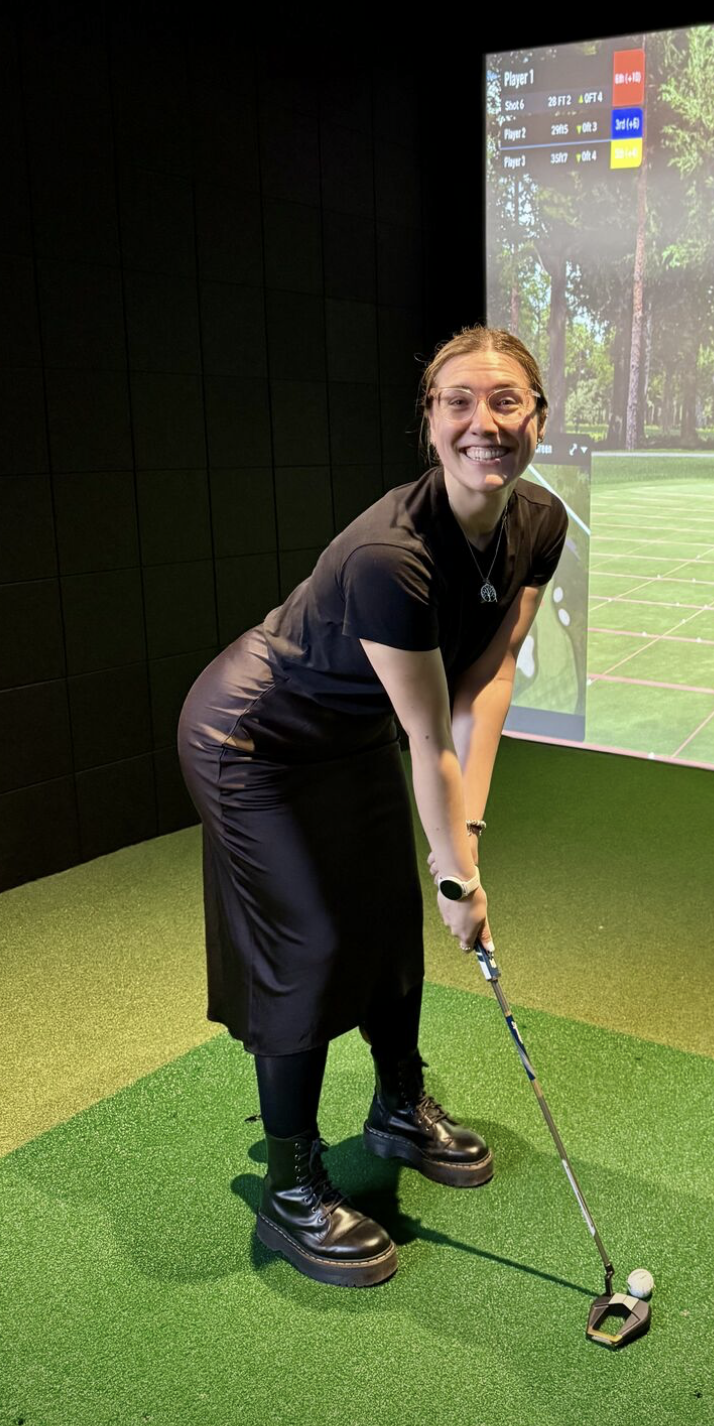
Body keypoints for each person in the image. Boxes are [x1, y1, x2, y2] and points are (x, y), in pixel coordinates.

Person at [177, 324, 568, 1288]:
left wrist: (460, 849)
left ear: (538, 418)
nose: (485, 422)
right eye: (458, 403)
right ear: (431, 424)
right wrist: (458, 875)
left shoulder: (541, 522)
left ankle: (398, 1107)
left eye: (506, 401)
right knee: (309, 942)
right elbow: (428, 738)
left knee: (391, 918)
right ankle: (291, 1186)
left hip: (348, 731)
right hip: (255, 737)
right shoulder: (391, 557)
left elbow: (490, 678)